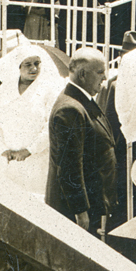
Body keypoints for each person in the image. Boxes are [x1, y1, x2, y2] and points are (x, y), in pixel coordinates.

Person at [46, 47, 116, 235]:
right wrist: (80, 211)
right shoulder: (70, 109)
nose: (104, 78)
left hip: (92, 206)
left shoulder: (83, 102)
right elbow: (69, 167)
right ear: (83, 74)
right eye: (100, 72)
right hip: (78, 213)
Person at [0, 45, 65, 198]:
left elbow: (50, 126)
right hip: (7, 160)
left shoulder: (49, 90)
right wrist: (2, 149)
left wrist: (29, 150)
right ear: (18, 66)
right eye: (28, 65)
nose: (34, 68)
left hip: (35, 161)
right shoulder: (5, 88)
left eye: (37, 63)